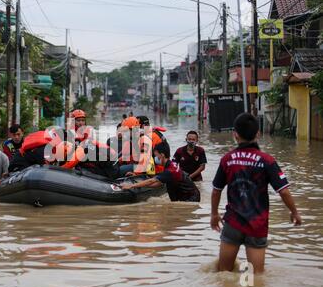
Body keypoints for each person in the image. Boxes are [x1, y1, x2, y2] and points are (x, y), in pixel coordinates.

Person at [211, 113, 302, 274]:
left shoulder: (227, 159)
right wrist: (294, 212)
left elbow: (216, 190)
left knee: (223, 272)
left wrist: (214, 214)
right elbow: (284, 191)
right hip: (257, 224)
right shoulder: (267, 160)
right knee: (256, 277)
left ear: (235, 135)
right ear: (258, 134)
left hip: (232, 223)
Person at [121, 141, 200, 202]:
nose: (155, 158)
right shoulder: (171, 164)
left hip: (190, 199)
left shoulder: (170, 171)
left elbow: (152, 180)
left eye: (156, 155)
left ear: (162, 155)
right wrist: (139, 184)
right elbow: (157, 183)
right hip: (191, 195)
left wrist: (131, 186)